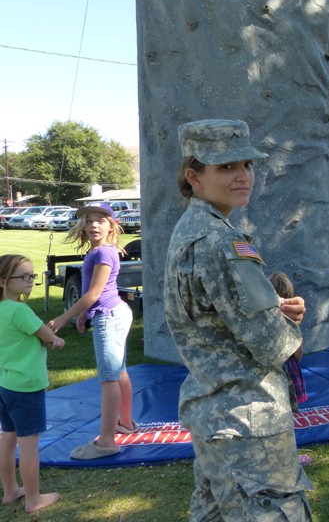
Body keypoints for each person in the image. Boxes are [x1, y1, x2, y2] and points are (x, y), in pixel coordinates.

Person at [164, 119, 313, 520]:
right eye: (226, 167)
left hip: (215, 414)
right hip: (248, 420)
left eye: (246, 163)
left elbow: (213, 317)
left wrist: (273, 309)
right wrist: (288, 328)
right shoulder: (221, 241)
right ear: (194, 176)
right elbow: (276, 345)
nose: (242, 175)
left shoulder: (190, 230)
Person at [49, 202, 137, 460]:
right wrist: (85, 314)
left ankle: (107, 442)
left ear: (112, 225)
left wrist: (65, 317)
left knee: (109, 377)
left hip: (111, 316)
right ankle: (126, 423)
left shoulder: (104, 254)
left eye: (100, 220)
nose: (93, 225)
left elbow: (94, 292)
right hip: (110, 313)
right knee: (118, 371)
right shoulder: (97, 251)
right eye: (89, 221)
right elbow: (96, 292)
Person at [0, 255, 64, 513]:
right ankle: (34, 499)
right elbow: (50, 338)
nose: (30, 281)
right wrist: (56, 341)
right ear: (3, 281)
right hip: (26, 387)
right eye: (23, 277)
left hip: (5, 384)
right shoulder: (19, 310)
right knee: (28, 444)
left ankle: (10, 490)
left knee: (7, 438)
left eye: (32, 276)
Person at [269, 271, 309, 412]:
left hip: (272, 366)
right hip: (289, 365)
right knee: (289, 403)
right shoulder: (291, 319)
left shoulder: (265, 318)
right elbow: (298, 351)